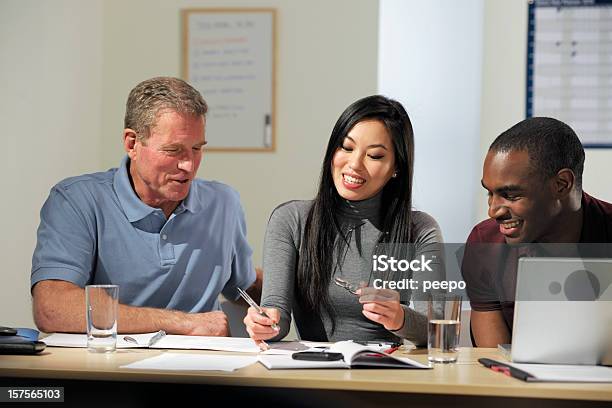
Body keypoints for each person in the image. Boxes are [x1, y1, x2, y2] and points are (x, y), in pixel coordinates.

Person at [31, 77, 260, 336]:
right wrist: (183, 323)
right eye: (173, 150)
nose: (189, 165)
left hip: (204, 371)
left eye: (196, 148)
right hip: (108, 369)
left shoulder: (224, 203)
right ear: (132, 144)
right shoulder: (76, 200)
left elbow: (245, 286)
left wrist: (287, 295)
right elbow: (52, 308)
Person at [244, 95, 444, 347]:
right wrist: (265, 324)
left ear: (396, 168)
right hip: (310, 373)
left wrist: (400, 318)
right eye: (346, 148)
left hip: (384, 374)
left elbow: (439, 330)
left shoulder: (421, 230)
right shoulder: (290, 219)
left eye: (374, 156)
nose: (354, 165)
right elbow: (277, 314)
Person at [463, 117, 612, 347]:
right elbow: (493, 362)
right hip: (518, 382)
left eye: (511, 195)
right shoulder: (484, 243)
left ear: (562, 184)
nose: (493, 211)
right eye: (489, 193)